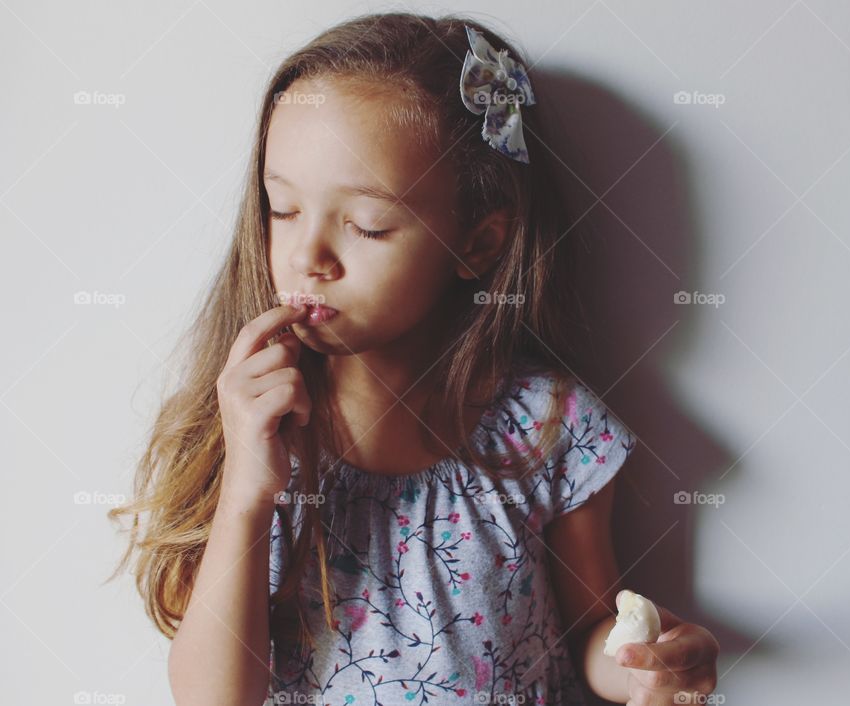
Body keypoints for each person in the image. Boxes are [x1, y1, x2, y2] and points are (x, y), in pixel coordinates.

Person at [108, 11, 719, 705]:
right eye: (282, 210)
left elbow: (592, 632)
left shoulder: (549, 426)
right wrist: (250, 489)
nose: (309, 258)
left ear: (478, 244)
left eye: (367, 225)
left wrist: (647, 666)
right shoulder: (248, 425)